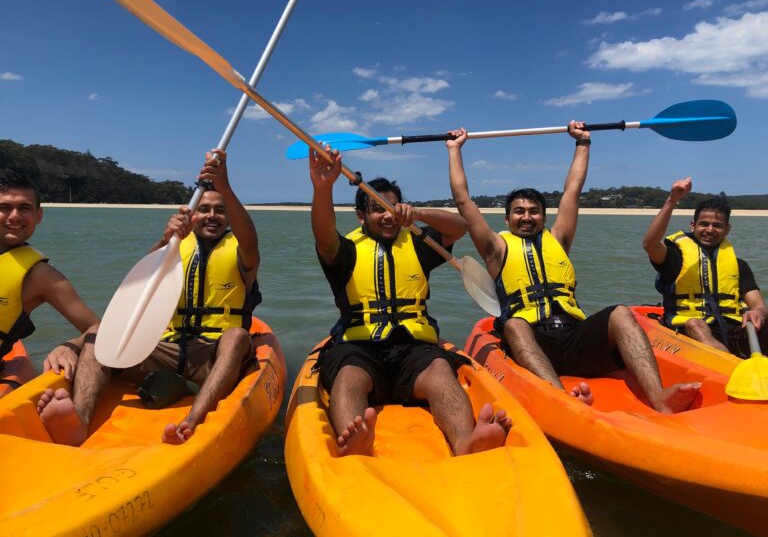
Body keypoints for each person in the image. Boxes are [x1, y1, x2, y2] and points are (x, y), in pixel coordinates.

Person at [446, 125, 700, 413]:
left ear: (543, 216)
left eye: (534, 211)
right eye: (519, 211)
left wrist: (583, 142)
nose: (527, 217)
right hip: (533, 339)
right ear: (506, 220)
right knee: (514, 324)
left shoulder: (558, 239)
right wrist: (455, 150)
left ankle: (659, 396)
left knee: (619, 312)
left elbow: (573, 190)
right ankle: (563, 403)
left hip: (573, 334)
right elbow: (463, 201)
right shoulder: (496, 249)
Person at [37, 149, 262, 445]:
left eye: (220, 210)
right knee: (97, 334)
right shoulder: (175, 247)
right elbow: (140, 289)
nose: (211, 216)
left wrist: (225, 187)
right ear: (191, 215)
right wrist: (166, 238)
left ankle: (191, 422)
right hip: (165, 349)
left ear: (229, 216)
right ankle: (78, 419)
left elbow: (250, 240)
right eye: (204, 209)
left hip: (212, 353)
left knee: (237, 336)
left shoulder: (242, 250)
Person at [309, 147, 510, 457]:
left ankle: (465, 442)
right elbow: (323, 234)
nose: (388, 215)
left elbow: (460, 226)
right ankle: (356, 442)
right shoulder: (344, 251)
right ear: (362, 216)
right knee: (349, 379)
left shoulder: (419, 243)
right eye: (377, 208)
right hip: (360, 348)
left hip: (415, 350)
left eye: (393, 207)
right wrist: (322, 189)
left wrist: (416, 214)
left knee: (441, 373)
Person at [642, 178, 767, 357]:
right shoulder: (674, 257)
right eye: (703, 224)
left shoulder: (739, 265)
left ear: (727, 229)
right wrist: (672, 201)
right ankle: (733, 370)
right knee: (696, 325)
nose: (710, 229)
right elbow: (650, 244)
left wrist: (758, 313)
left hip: (733, 329)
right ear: (693, 226)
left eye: (717, 225)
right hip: (689, 329)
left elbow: (759, 306)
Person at [0, 169, 99, 384]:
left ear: (38, 215)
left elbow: (97, 327)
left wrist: (71, 345)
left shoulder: (41, 276)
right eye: (4, 207)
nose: (15, 216)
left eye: (24, 208)